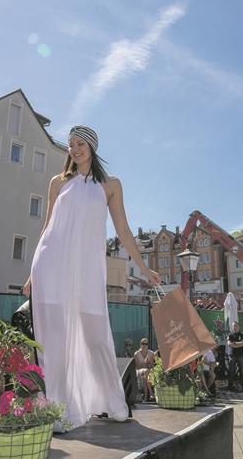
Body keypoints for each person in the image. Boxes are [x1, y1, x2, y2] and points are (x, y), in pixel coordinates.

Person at [20, 125, 159, 432]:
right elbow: (46, 229)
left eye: (81, 143)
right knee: (54, 339)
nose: (75, 148)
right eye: (71, 144)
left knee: (95, 334)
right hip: (51, 265)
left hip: (86, 271)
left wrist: (145, 269)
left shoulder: (110, 185)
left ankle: (112, 401)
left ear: (92, 147)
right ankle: (59, 409)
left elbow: (123, 231)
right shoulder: (58, 183)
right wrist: (31, 274)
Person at [227, 323, 243, 393]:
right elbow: (229, 344)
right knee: (231, 371)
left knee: (242, 371)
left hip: (241, 355)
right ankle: (231, 387)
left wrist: (234, 344)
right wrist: (238, 344)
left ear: (239, 327)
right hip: (232, 355)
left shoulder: (242, 334)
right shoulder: (230, 335)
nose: (234, 327)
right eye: (233, 326)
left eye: (236, 326)